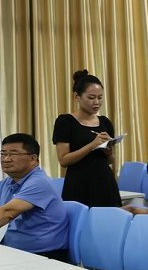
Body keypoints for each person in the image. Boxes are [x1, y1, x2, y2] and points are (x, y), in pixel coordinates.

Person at [52, 69, 121, 207]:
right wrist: (91, 146)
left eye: (100, 97)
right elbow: (64, 160)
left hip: (104, 182)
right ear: (77, 97)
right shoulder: (65, 121)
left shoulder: (105, 122)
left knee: (109, 218)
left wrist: (108, 151)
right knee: (80, 219)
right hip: (79, 183)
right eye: (91, 97)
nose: (96, 102)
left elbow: (110, 160)